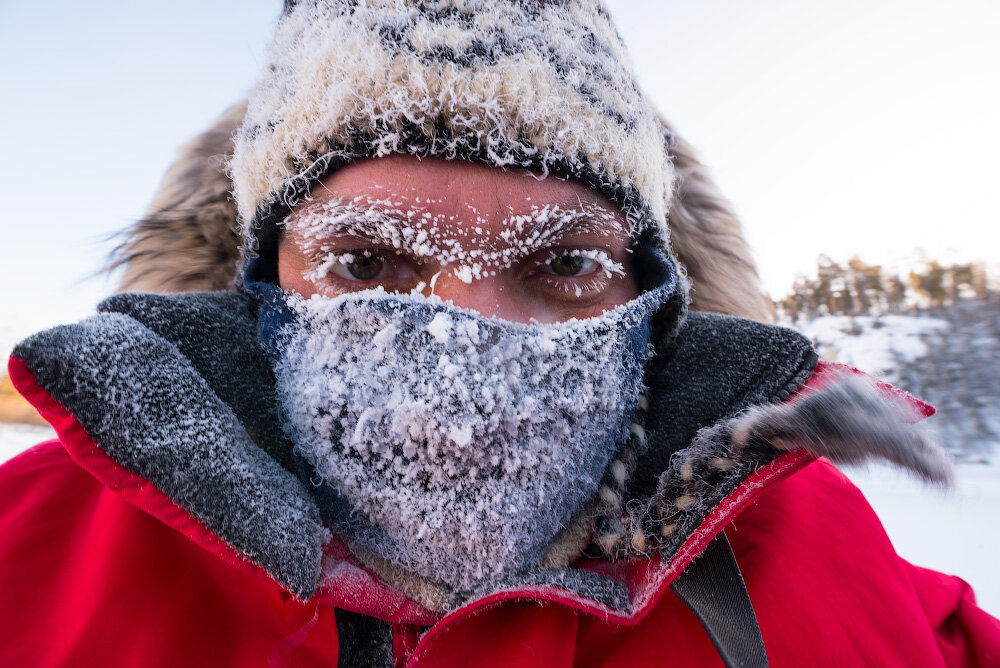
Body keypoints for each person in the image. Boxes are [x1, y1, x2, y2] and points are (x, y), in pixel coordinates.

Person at [2, 1, 998, 666]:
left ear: (650, 292)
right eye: (366, 263)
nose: (464, 349)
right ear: (255, 281)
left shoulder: (802, 543)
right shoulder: (28, 548)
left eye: (564, 265)